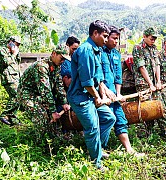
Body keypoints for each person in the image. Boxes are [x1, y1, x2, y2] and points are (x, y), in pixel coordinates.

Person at [67, 20, 116, 170]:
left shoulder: (97, 49)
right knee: (92, 127)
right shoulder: (86, 50)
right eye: (105, 36)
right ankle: (96, 162)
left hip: (90, 94)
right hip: (80, 97)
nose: (107, 40)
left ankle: (98, 150)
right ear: (95, 33)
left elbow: (98, 78)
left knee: (109, 118)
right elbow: (87, 82)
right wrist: (98, 98)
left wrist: (105, 92)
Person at [101, 25, 144, 157]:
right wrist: (105, 92)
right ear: (106, 38)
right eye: (114, 38)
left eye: (117, 39)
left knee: (120, 119)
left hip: (114, 95)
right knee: (105, 120)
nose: (116, 42)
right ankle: (99, 148)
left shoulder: (116, 54)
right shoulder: (98, 52)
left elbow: (118, 76)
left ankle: (129, 149)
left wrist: (118, 94)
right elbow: (96, 77)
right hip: (102, 95)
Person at [17, 45, 70, 137]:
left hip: (38, 94)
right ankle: (42, 144)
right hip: (26, 94)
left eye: (64, 59)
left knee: (51, 116)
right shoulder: (41, 66)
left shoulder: (57, 66)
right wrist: (53, 111)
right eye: (61, 58)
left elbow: (59, 85)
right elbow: (45, 90)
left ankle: (55, 138)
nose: (62, 62)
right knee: (41, 116)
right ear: (54, 54)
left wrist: (64, 102)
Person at [0, 36, 21, 126]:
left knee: (19, 97)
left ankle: (12, 118)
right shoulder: (2, 50)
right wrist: (13, 54)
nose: (17, 46)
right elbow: (6, 62)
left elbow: (17, 63)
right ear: (10, 42)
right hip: (9, 79)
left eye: (18, 45)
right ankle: (4, 115)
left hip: (16, 78)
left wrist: (16, 54)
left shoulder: (14, 52)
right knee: (16, 96)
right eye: (15, 44)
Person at [132, 27, 161, 94]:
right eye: (151, 39)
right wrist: (150, 84)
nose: (153, 41)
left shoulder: (154, 48)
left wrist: (158, 81)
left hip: (153, 81)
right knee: (146, 103)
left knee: (157, 103)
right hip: (143, 82)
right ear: (144, 36)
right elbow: (141, 67)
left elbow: (157, 64)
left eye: (154, 39)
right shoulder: (138, 48)